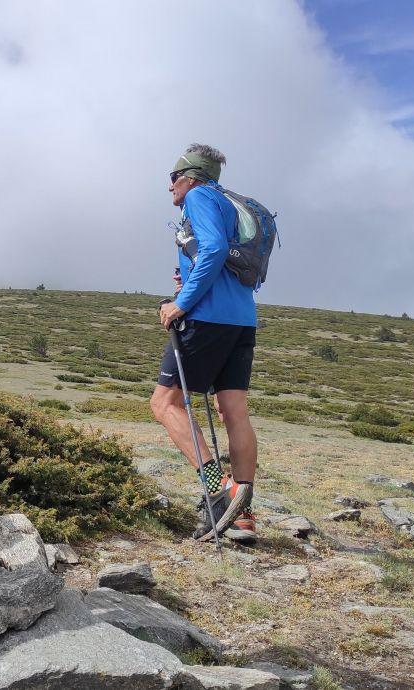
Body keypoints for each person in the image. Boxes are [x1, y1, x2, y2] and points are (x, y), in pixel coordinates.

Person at [149, 143, 259, 542]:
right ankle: (243, 515)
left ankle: (219, 490)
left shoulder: (198, 197)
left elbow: (212, 248)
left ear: (190, 177)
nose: (171, 188)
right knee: (233, 410)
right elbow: (224, 259)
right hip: (242, 320)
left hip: (206, 319)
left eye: (173, 178)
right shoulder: (231, 204)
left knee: (164, 404)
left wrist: (182, 302)